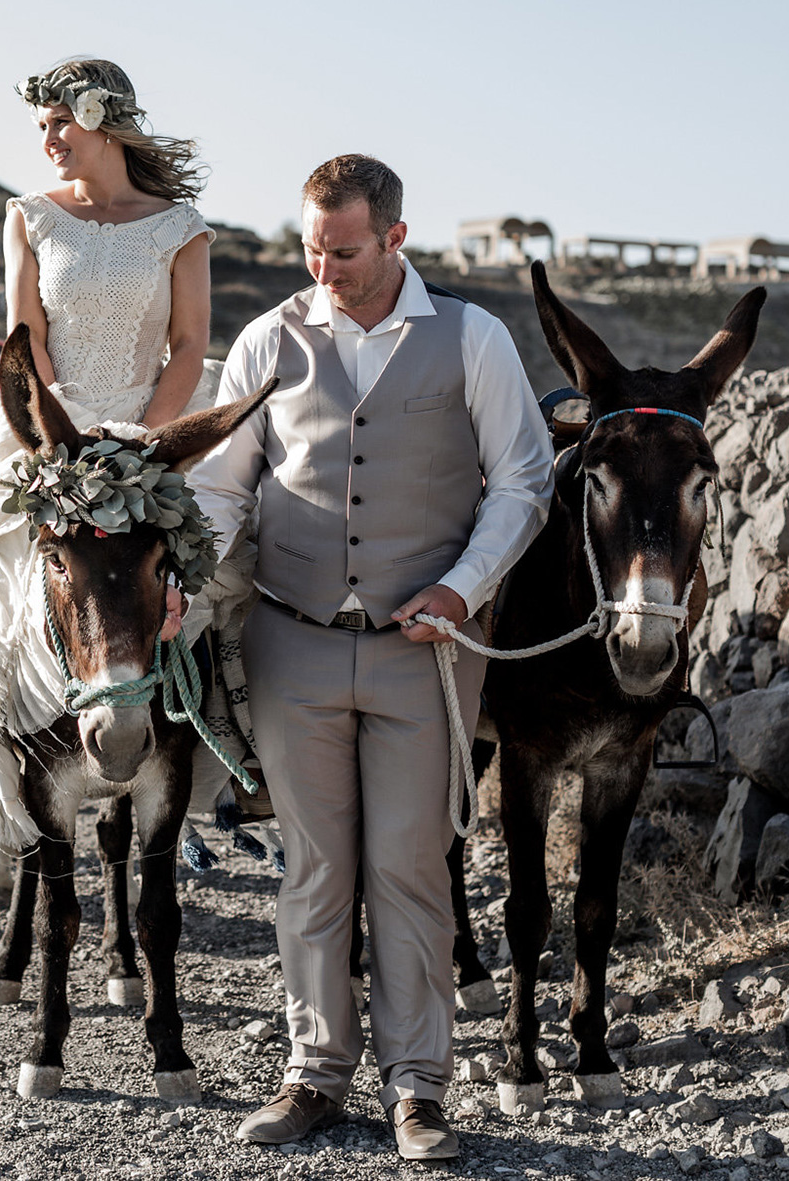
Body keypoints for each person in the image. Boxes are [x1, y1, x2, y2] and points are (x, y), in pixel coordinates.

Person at [189, 154, 554, 1160]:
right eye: (310, 247)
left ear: (393, 237)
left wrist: (462, 585)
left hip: (422, 655)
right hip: (289, 641)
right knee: (311, 867)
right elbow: (223, 489)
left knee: (409, 868)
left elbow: (522, 482)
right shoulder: (267, 339)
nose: (323, 267)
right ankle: (312, 1075)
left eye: (341, 249)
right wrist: (184, 577)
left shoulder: (472, 339)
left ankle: (416, 1089)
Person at [0, 59, 215, 852]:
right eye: (40, 126)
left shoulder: (181, 228)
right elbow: (26, 336)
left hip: (148, 429)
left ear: (102, 121)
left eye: (58, 123)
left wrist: (142, 443)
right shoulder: (31, 216)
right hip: (45, 426)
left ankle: (223, 757)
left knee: (227, 568)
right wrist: (63, 443)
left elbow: (188, 346)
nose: (47, 141)